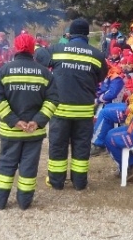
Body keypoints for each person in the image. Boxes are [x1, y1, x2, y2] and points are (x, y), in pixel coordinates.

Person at [35, 18, 107, 190]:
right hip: (84, 112)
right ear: (87, 34)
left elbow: (40, 57)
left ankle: (56, 182)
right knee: (81, 147)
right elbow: (101, 77)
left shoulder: (57, 49)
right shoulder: (97, 55)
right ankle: (79, 183)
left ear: (70, 33)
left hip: (60, 111)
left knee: (58, 146)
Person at [0, 33, 58, 210]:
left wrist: (14, 121)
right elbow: (52, 100)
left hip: (10, 131)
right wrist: (37, 121)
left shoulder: (4, 71)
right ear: (33, 49)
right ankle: (24, 202)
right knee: (29, 166)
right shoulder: (44, 73)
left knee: (6, 163)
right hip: (34, 132)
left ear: (15, 48)